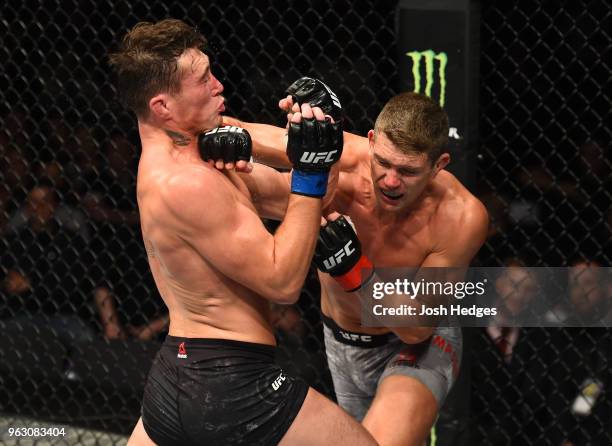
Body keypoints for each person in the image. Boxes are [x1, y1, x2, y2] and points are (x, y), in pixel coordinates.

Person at [108, 19, 377, 446]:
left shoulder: (203, 147)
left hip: (178, 376)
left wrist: (319, 132)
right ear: (162, 107)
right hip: (229, 384)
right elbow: (283, 281)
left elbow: (311, 198)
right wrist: (307, 168)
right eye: (202, 80)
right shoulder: (184, 182)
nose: (217, 84)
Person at [221, 79, 489, 445]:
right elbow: (256, 141)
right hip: (341, 340)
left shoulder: (461, 216)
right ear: (371, 142)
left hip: (414, 347)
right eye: (383, 163)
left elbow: (416, 328)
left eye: (408, 171)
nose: (390, 180)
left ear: (438, 165)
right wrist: (228, 140)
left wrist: (355, 270)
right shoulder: (344, 158)